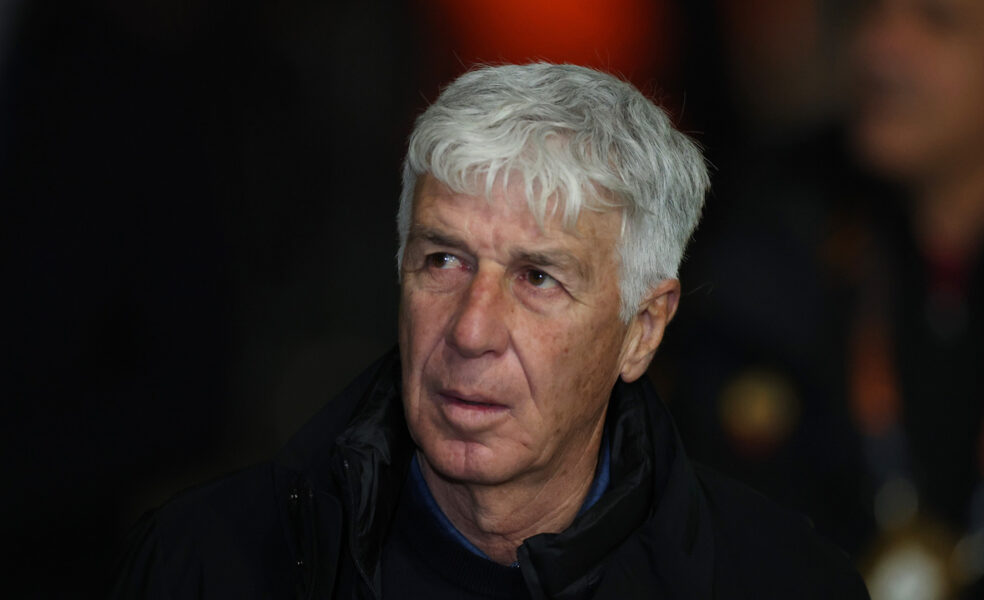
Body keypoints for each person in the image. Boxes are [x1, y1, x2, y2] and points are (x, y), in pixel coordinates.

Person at [111, 63, 868, 599]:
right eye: (443, 259)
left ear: (643, 328)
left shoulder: (787, 582)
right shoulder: (204, 565)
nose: (471, 330)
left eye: (538, 278)